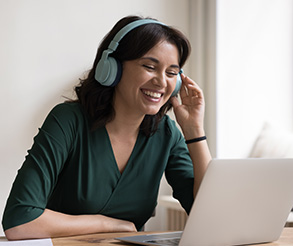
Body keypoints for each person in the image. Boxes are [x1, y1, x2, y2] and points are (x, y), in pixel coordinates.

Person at [2, 15, 212, 240]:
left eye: (171, 73)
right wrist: (108, 224)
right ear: (111, 67)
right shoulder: (68, 120)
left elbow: (211, 216)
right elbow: (20, 221)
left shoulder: (167, 134)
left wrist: (194, 131)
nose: (162, 82)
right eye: (150, 67)